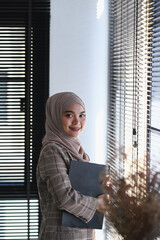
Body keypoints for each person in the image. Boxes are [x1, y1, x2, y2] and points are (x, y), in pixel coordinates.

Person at [36, 92, 110, 240]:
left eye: (82, 115)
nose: (77, 121)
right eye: (69, 115)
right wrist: (97, 203)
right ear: (55, 116)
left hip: (81, 234)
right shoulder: (52, 150)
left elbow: (79, 189)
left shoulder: (77, 150)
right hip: (60, 235)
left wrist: (100, 185)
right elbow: (65, 198)